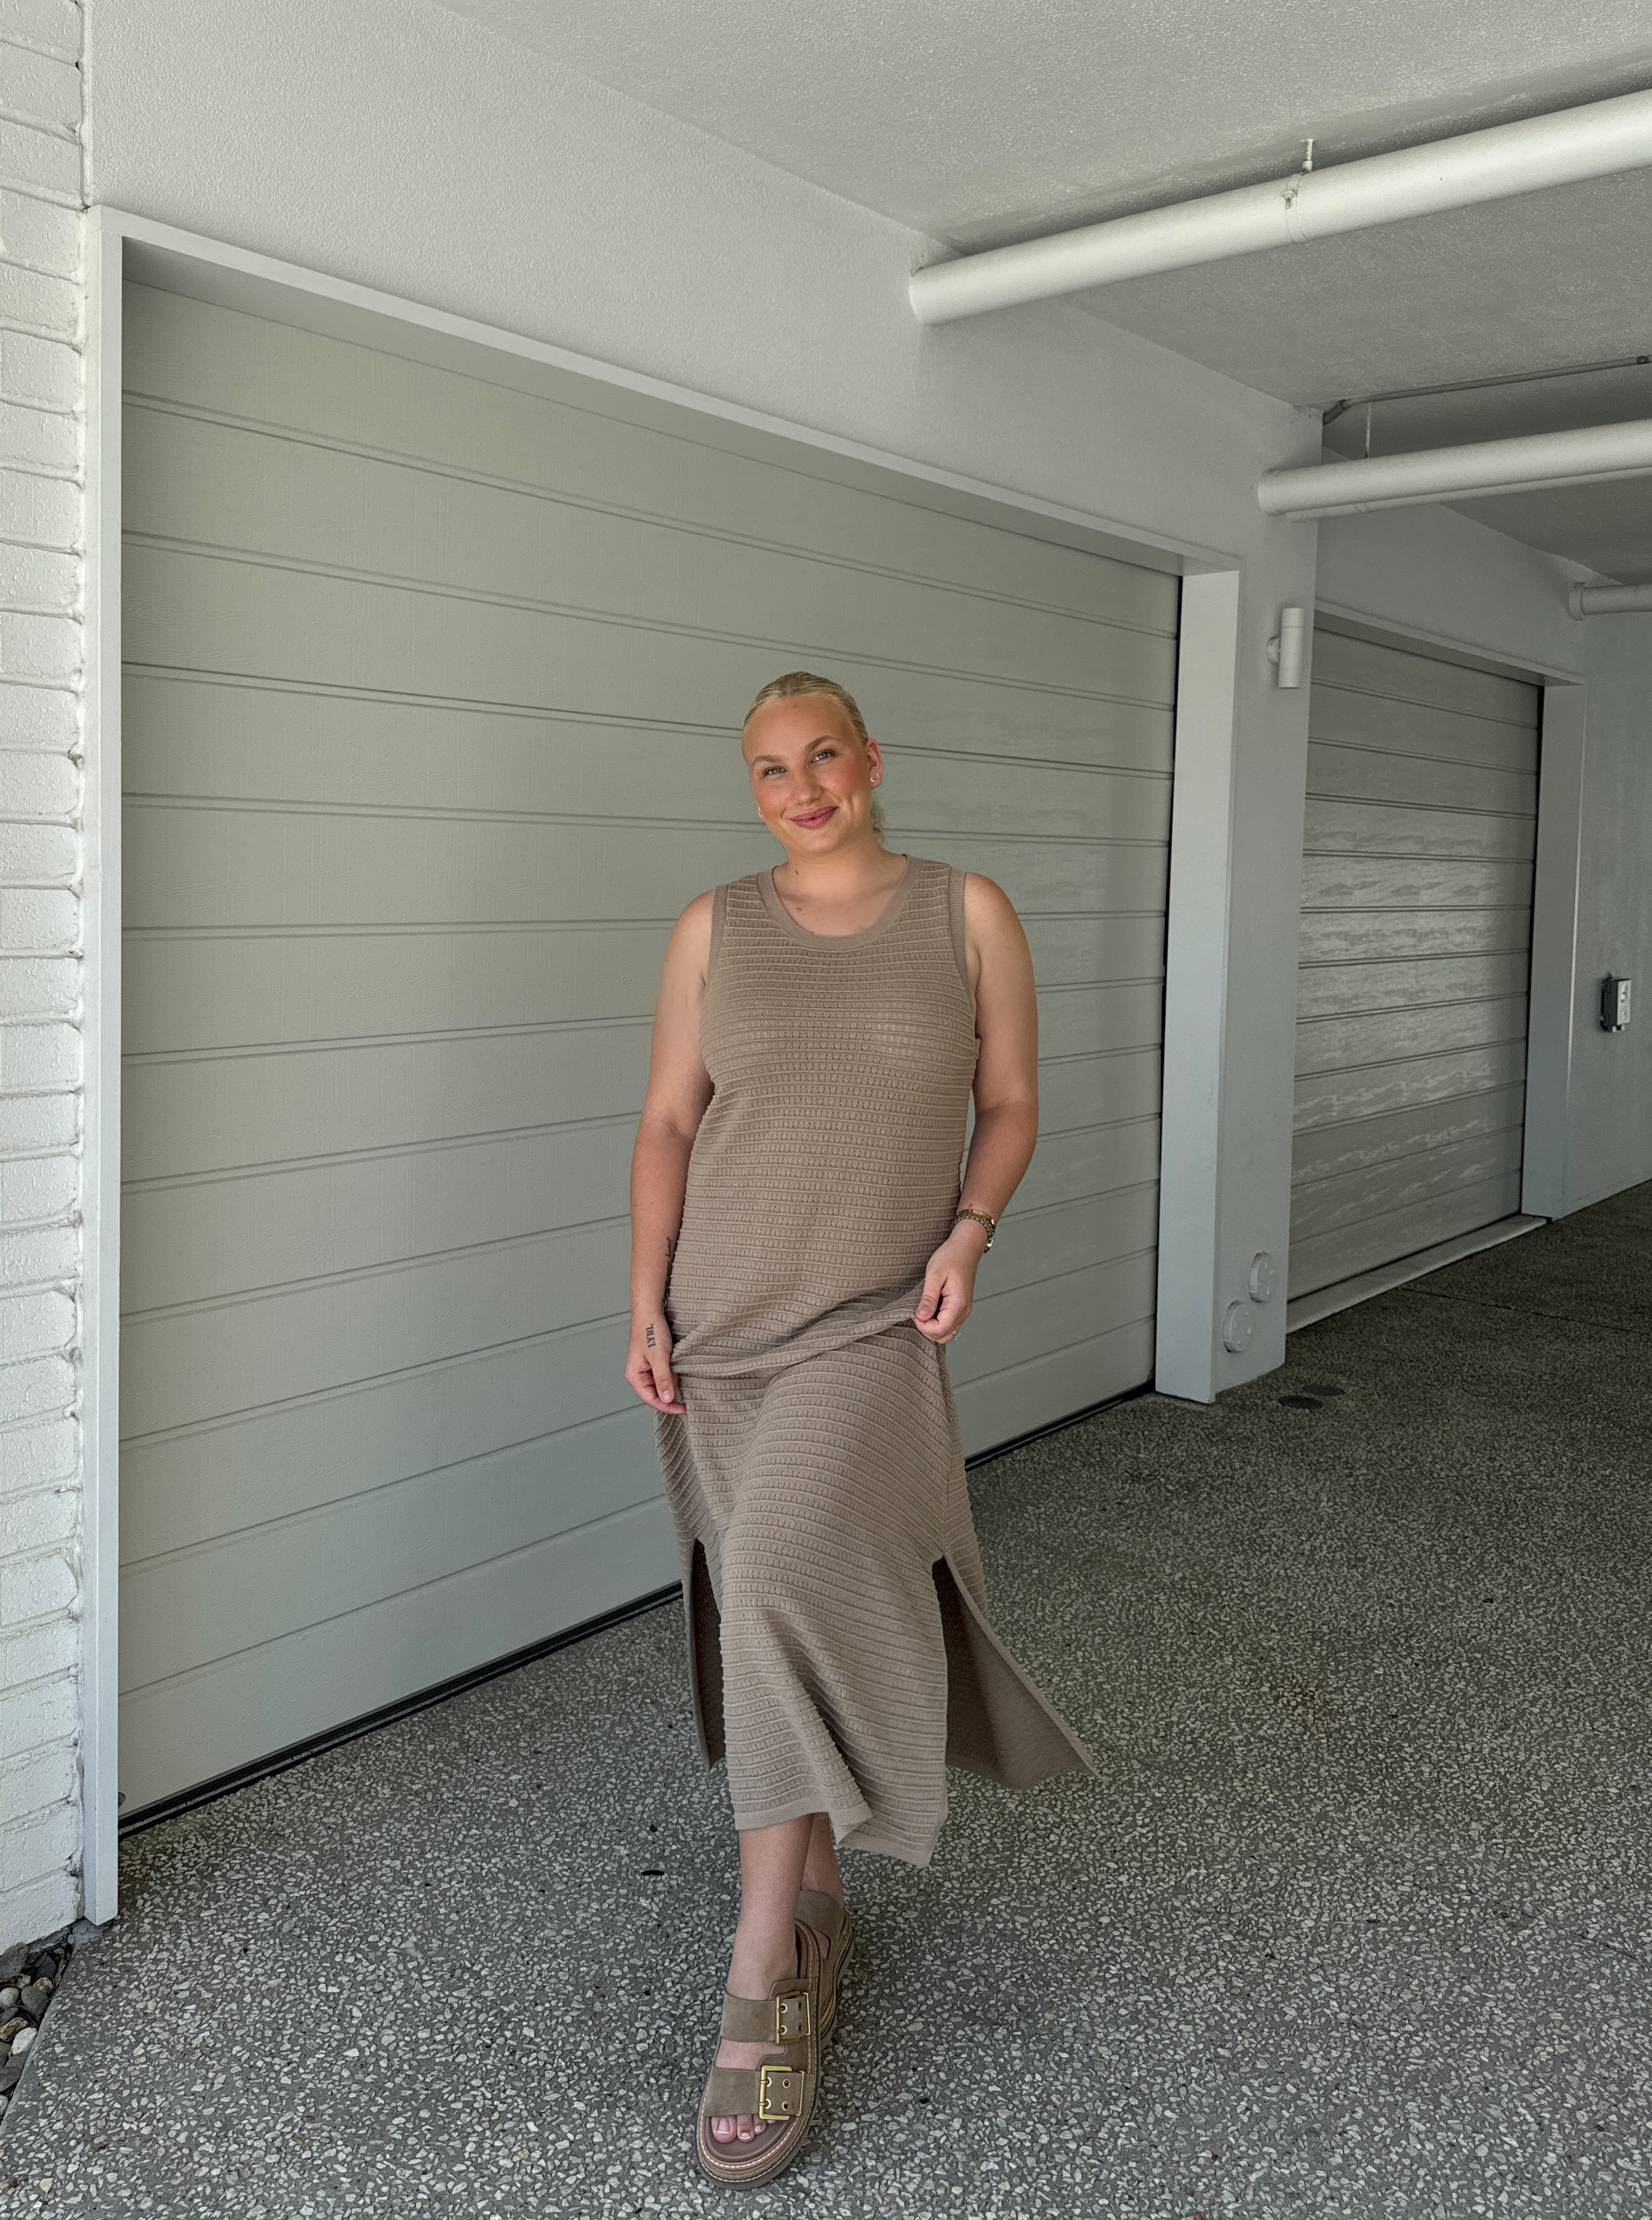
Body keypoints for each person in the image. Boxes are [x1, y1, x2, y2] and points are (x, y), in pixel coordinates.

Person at [625, 669, 1089, 2187]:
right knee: (768, 1596)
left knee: (774, 1577)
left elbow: (1010, 1103)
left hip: (874, 1321)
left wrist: (971, 1231)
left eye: (823, 754)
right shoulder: (712, 928)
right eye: (770, 769)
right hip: (723, 1322)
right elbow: (670, 1122)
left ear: (872, 758)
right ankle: (817, 1897)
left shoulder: (966, 913)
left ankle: (764, 1970)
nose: (802, 786)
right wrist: (643, 1302)